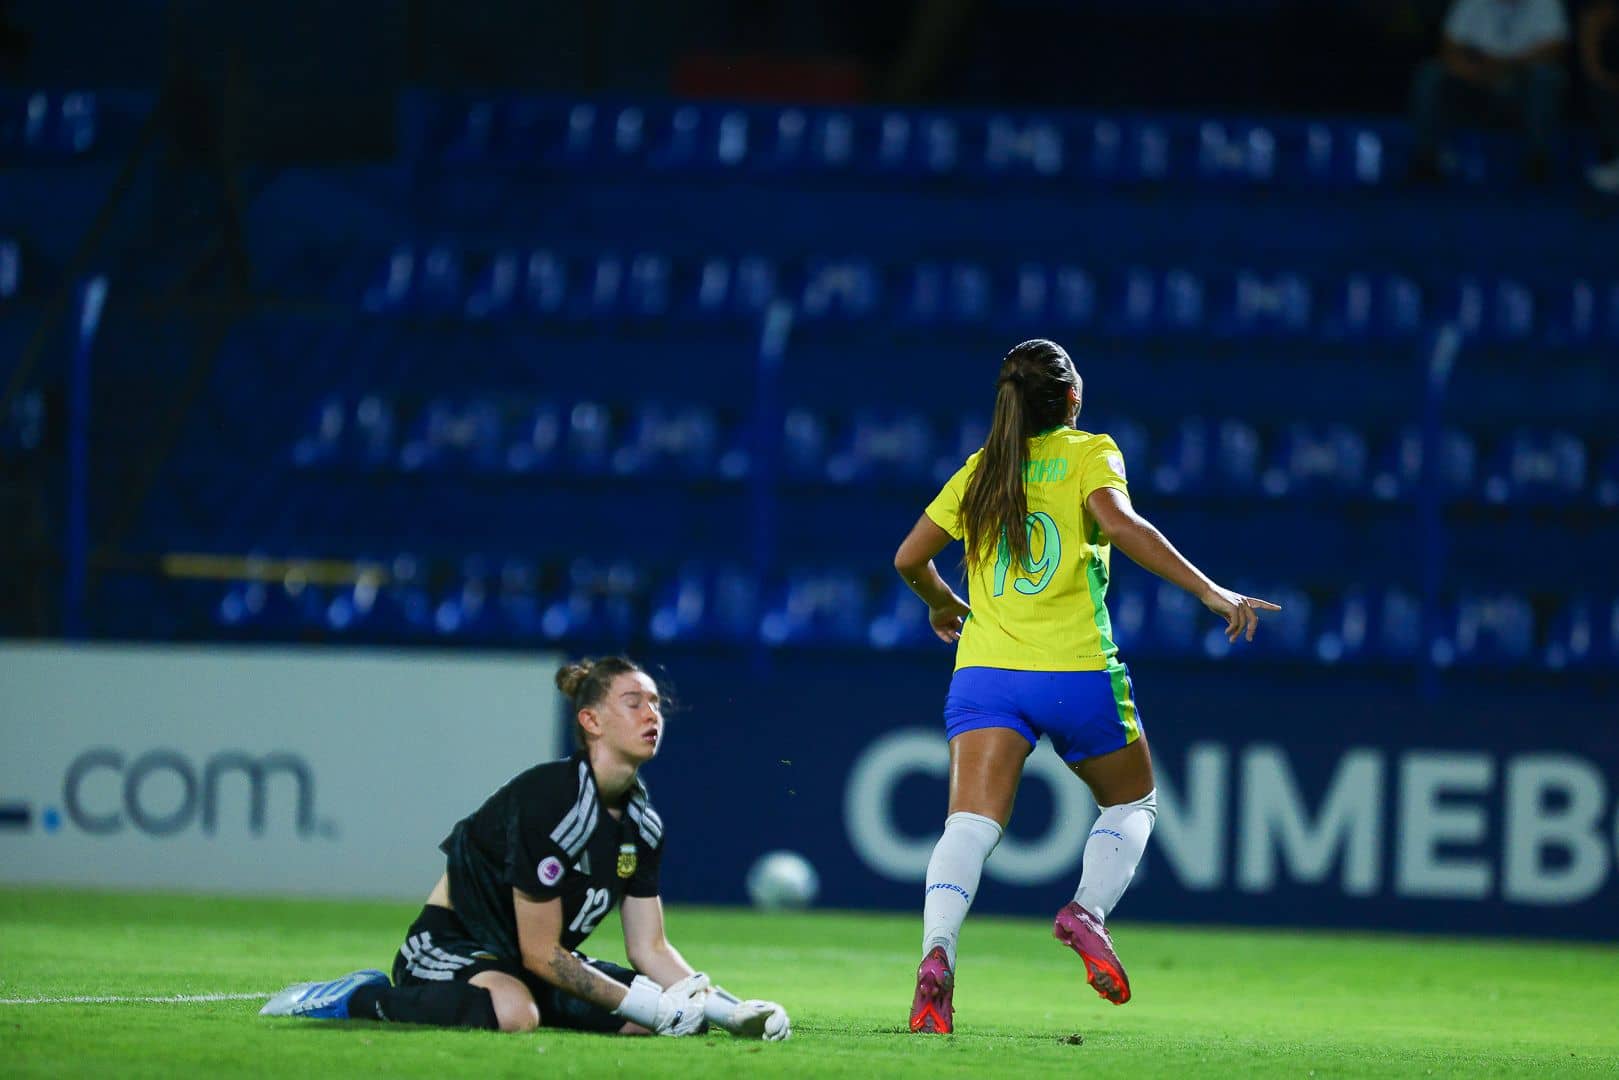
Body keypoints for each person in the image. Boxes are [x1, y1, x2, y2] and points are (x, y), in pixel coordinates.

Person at [892, 340, 1279, 1034]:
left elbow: (908, 558)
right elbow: (1119, 523)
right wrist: (1209, 591)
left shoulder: (980, 470)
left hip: (986, 676)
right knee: (1133, 801)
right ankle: (1086, 911)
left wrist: (941, 602)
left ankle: (936, 954)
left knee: (969, 826)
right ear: (1072, 396)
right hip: (1076, 672)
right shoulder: (1089, 452)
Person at [260, 656, 791, 1040]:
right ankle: (359, 997)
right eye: (633, 703)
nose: (651, 715)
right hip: (455, 944)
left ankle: (548, 1000)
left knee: (665, 1020)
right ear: (591, 721)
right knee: (516, 1015)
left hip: (537, 963)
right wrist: (652, 1005)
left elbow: (649, 948)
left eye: (655, 704)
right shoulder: (549, 799)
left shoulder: (642, 825)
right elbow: (540, 952)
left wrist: (731, 1011)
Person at [1408, 0, 1570, 182]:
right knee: (1431, 73)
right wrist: (1486, 72)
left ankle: (1538, 161)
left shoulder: (1546, 3)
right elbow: (1449, 49)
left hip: (1520, 92)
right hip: (1476, 88)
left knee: (1547, 77)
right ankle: (1426, 157)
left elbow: (1555, 49)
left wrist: (1501, 67)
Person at [1580, 0, 1619, 191]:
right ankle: (1615, 160)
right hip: (1606, 84)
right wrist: (1611, 82)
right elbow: (1592, 68)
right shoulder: (1595, 18)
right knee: (1603, 94)